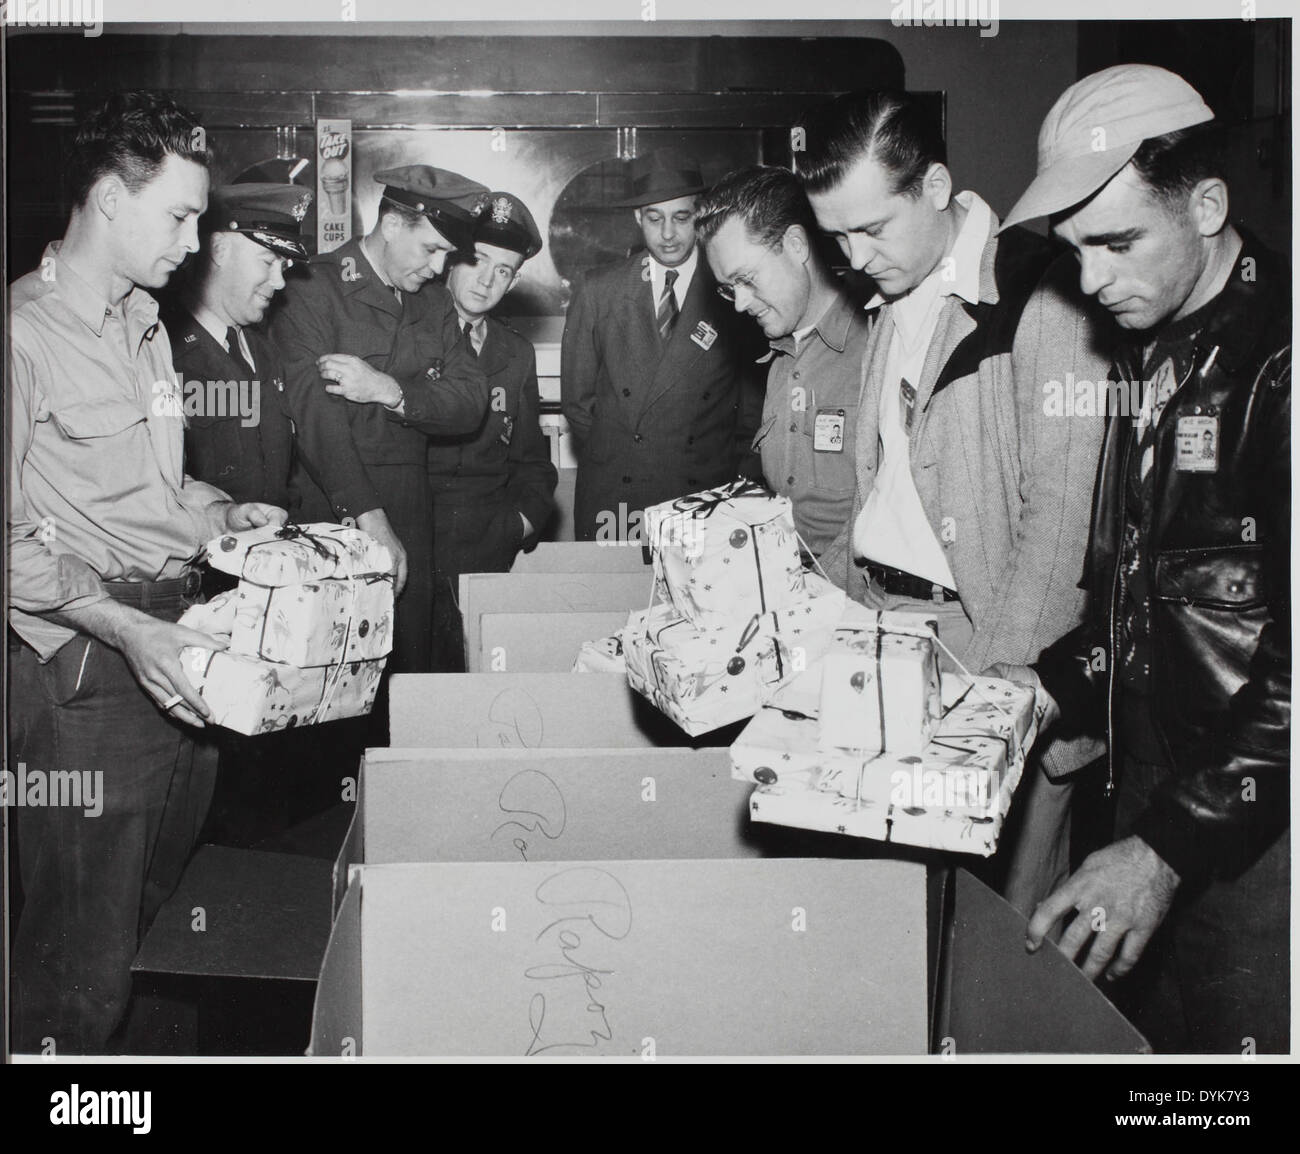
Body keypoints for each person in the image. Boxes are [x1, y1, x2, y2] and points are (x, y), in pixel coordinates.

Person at [994, 65, 1289, 1053]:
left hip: (1257, 840)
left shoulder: (1280, 368)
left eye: (1117, 241)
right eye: (1071, 249)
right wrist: (1036, 689)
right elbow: (1151, 601)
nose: (1088, 280)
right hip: (1158, 799)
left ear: (1206, 207)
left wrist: (1166, 849)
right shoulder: (1153, 353)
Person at [7, 92, 287, 1054]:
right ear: (108, 200)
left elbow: (143, 487)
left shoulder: (148, 325)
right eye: (179, 215)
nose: (196, 238)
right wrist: (127, 627)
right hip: (90, 665)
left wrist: (216, 509)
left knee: (164, 927)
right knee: (79, 961)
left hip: (177, 636)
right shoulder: (22, 336)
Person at [793, 90, 1111, 912]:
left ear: (936, 187)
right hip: (891, 641)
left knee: (988, 939)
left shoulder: (1044, 292)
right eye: (836, 237)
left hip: (993, 652)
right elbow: (882, 502)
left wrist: (995, 706)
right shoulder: (890, 301)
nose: (855, 257)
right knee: (901, 935)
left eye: (872, 229)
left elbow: (1061, 529)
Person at [268, 164, 491, 673]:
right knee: (328, 682)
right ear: (392, 225)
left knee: (405, 683)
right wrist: (370, 518)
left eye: (446, 256)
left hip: (411, 514)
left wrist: (388, 390)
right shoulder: (312, 286)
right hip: (333, 512)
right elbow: (315, 419)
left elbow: (471, 399)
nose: (438, 270)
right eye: (430, 250)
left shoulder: (432, 304)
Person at [561, 148, 764, 543]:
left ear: (700, 214)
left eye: (681, 217)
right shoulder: (599, 290)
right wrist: (623, 454)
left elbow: (750, 414)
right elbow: (578, 404)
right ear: (638, 219)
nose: (668, 233)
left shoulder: (731, 290)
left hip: (701, 498)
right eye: (655, 219)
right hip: (616, 497)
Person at [695, 165, 873, 558]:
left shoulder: (876, 346)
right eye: (728, 289)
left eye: (747, 279)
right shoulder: (778, 360)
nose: (740, 303)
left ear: (795, 245)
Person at [429, 191, 558, 671]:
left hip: (488, 546)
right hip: (416, 544)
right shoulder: (408, 333)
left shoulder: (516, 353)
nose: (486, 281)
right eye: (477, 260)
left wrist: (517, 525)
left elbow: (532, 462)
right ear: (450, 257)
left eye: (502, 270)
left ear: (515, 279)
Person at [159, 182, 317, 519]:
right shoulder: (163, 353)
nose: (279, 282)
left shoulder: (264, 351)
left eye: (284, 267)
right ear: (219, 249)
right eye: (268, 261)